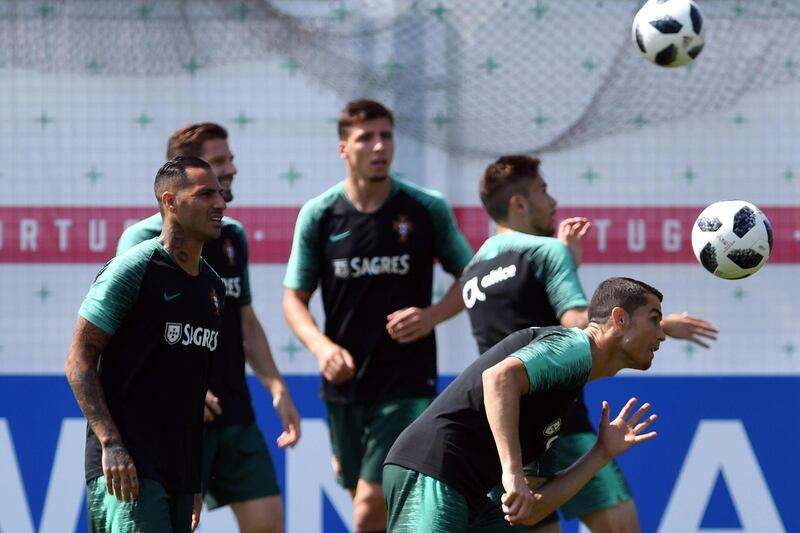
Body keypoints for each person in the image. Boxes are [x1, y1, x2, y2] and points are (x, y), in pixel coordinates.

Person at [461, 155, 719, 532]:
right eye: (543, 191)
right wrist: (655, 323)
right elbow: (582, 327)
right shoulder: (547, 251)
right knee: (621, 529)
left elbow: (521, 326)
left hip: (508, 432)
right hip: (558, 422)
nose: (553, 202)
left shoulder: (475, 269)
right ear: (519, 204)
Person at [282, 99, 474, 532]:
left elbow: (474, 277)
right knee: (368, 507)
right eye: (366, 137)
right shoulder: (320, 214)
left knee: (371, 505)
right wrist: (322, 347)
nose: (379, 145)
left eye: (386, 135)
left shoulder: (425, 208)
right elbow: (293, 299)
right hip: (345, 384)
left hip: (407, 381)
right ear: (343, 148)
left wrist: (432, 315)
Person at [117, 123, 300, 533]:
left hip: (235, 412)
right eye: (219, 163)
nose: (229, 170)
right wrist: (179, 390)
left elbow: (246, 322)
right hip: (173, 420)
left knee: (269, 524)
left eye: (228, 161)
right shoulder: (141, 242)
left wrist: (277, 386)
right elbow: (125, 339)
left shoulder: (233, 236)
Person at [384, 277, 665, 532]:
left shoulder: (563, 390)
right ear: (619, 319)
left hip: (470, 494)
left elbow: (530, 510)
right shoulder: (575, 345)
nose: (661, 334)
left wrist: (600, 454)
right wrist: (512, 473)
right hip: (432, 469)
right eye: (654, 319)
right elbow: (498, 377)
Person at [65, 156, 227, 532]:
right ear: (170, 202)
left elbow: (188, 389)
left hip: (179, 473)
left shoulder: (214, 288)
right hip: (128, 468)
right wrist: (111, 444)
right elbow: (78, 359)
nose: (220, 204)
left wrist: (193, 478)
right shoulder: (132, 269)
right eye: (205, 194)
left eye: (220, 194)